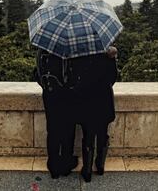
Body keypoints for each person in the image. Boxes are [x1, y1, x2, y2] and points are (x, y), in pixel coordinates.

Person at [70, 46, 118, 182]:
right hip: (104, 102)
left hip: (87, 102)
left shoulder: (81, 56)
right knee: (103, 134)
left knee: (88, 137)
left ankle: (87, 170)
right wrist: (112, 59)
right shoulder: (108, 56)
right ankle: (100, 166)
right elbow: (113, 79)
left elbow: (76, 80)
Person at [34, 49, 78, 179]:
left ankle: (53, 165)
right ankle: (66, 164)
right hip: (68, 96)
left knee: (53, 130)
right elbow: (75, 75)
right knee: (68, 130)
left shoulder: (41, 52)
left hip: (49, 95)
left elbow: (36, 74)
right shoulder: (70, 52)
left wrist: (46, 87)